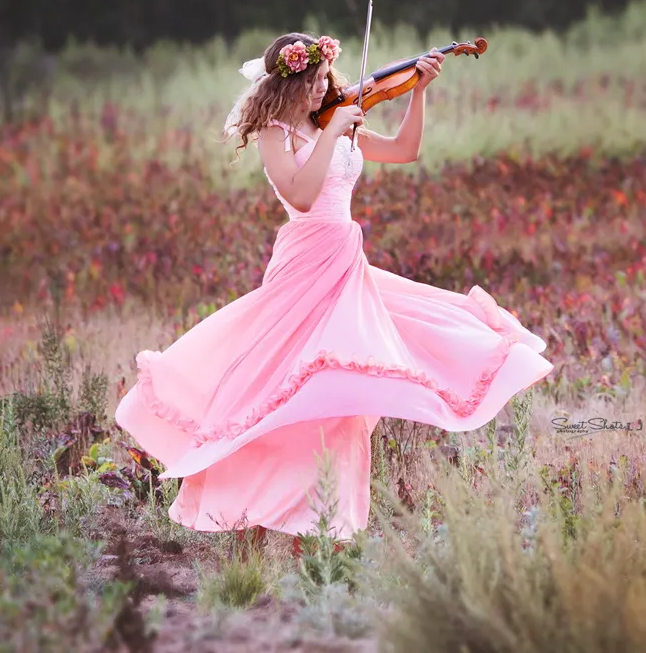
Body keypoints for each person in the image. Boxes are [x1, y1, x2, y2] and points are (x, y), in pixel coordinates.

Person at [114, 31, 553, 544]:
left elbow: (405, 151)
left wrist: (419, 91)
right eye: (316, 80)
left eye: (327, 79)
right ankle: (255, 519)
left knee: (343, 388)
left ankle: (319, 525)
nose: (325, 89)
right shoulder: (277, 133)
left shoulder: (336, 121)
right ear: (292, 81)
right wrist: (333, 133)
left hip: (346, 258)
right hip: (304, 262)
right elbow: (300, 197)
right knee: (280, 384)